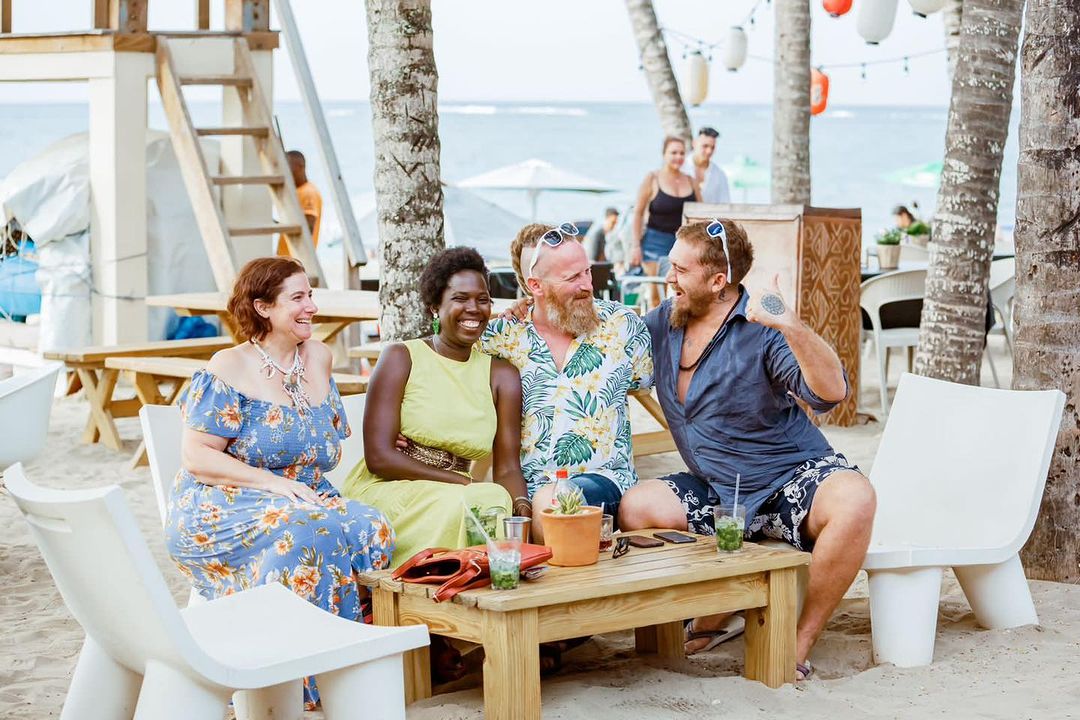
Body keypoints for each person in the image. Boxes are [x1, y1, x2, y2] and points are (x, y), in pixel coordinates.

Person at [617, 219, 876, 682]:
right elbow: (596, 332)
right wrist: (519, 312)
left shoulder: (763, 328)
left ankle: (797, 640)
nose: (667, 277)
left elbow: (831, 393)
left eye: (679, 269)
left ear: (718, 281)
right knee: (637, 506)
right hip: (720, 490)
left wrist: (792, 325)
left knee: (855, 499)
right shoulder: (661, 323)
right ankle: (716, 615)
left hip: (788, 479)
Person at [165, 256, 395, 709]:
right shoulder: (229, 366)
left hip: (304, 494)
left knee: (374, 528)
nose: (311, 306)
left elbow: (321, 449)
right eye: (298, 298)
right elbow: (196, 456)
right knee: (310, 532)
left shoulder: (321, 357)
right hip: (225, 499)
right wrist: (269, 483)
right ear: (263, 307)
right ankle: (296, 677)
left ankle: (347, 659)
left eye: (311, 295)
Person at [480, 223, 654, 543]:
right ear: (536, 286)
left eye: (586, 272)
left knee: (553, 503)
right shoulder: (501, 338)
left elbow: (657, 382)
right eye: (572, 278)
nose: (587, 285)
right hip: (522, 490)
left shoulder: (622, 326)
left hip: (603, 482)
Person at [630, 136, 701, 306]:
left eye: (682, 153)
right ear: (664, 154)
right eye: (673, 152)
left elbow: (700, 214)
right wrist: (635, 246)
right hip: (655, 243)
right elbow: (638, 213)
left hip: (683, 242)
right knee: (657, 294)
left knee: (685, 290)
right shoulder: (652, 178)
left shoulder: (691, 181)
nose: (678, 156)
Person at [277, 150, 323, 256]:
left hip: (295, 258)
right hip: (286, 257)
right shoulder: (296, 191)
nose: (284, 170)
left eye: (288, 166)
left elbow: (308, 229)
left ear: (300, 166)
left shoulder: (309, 192)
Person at [682, 127, 731, 205]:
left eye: (712, 147)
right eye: (705, 146)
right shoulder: (681, 167)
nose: (709, 151)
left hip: (709, 216)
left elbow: (725, 204)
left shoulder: (719, 175)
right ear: (694, 143)